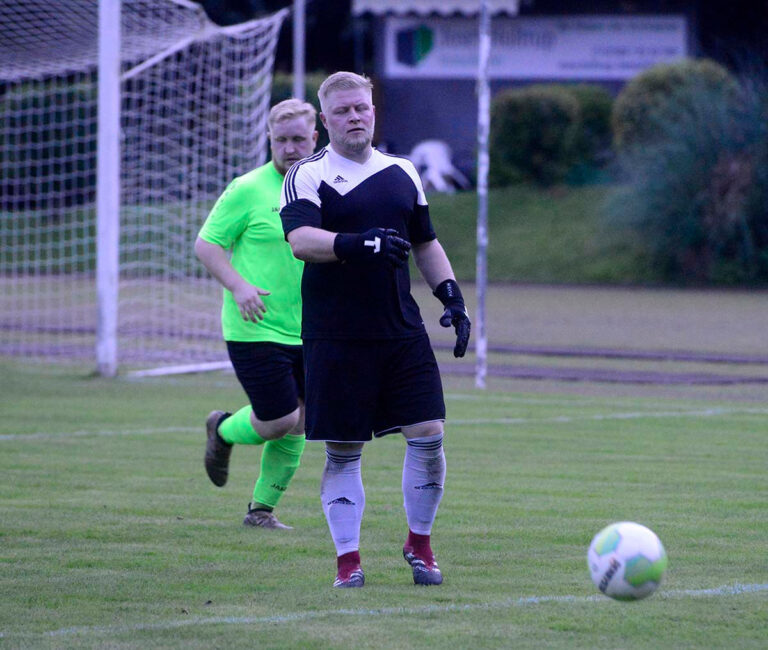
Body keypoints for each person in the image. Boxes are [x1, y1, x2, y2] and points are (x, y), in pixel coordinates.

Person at [280, 72, 471, 587]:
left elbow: (426, 243)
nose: (354, 117)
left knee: (429, 433)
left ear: (373, 110)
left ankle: (421, 545)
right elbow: (300, 239)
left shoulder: (402, 171)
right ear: (325, 121)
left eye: (361, 108)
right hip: (336, 335)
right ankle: (348, 563)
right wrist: (357, 244)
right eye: (342, 111)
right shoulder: (306, 174)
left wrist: (450, 296)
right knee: (344, 450)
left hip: (400, 331)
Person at [195, 98, 318, 529]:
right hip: (255, 326)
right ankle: (224, 429)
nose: (290, 147)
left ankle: (261, 512)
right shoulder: (248, 188)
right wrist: (239, 286)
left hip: (312, 329)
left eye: (298, 139)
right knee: (280, 419)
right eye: (281, 139)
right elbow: (207, 245)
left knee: (302, 423)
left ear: (314, 139)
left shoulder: (325, 187)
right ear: (269, 139)